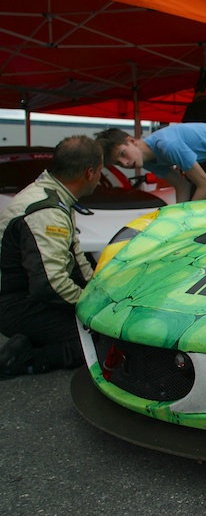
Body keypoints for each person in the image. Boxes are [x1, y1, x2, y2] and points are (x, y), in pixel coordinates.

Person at [0, 136, 103, 378]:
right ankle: (22, 360)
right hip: (16, 304)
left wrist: (97, 292)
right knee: (96, 341)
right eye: (100, 172)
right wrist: (91, 308)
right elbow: (50, 284)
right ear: (89, 173)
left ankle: (29, 338)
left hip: (22, 296)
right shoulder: (48, 212)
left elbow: (76, 259)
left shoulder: (52, 194)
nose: (99, 180)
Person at [95, 123, 206, 202]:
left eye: (123, 154)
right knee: (201, 204)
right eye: (118, 163)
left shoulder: (167, 145)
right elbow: (182, 185)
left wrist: (185, 218)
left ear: (132, 141)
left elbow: (205, 186)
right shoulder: (147, 161)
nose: (126, 163)